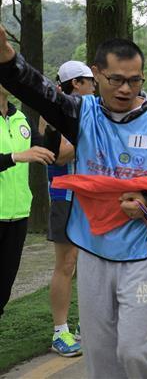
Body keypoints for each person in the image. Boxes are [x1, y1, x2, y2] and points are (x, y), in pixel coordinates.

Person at [0, 27, 147, 379]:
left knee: (136, 349)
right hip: (91, 246)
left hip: (142, 247)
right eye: (116, 79)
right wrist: (8, 60)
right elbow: (38, 90)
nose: (125, 89)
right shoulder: (81, 112)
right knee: (100, 353)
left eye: (134, 81)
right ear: (96, 74)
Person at [44, 61, 95, 357]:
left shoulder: (89, 111)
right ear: (76, 83)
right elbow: (58, 156)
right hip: (65, 196)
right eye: (90, 80)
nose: (94, 85)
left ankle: (85, 325)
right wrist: (90, 137)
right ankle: (59, 332)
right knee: (66, 264)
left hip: (89, 197)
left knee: (90, 262)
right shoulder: (53, 110)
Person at [0, 84, 58, 318]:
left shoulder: (21, 118)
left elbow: (47, 153)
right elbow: (24, 155)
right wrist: (15, 157)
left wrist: (50, 122)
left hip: (18, 215)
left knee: (3, 288)